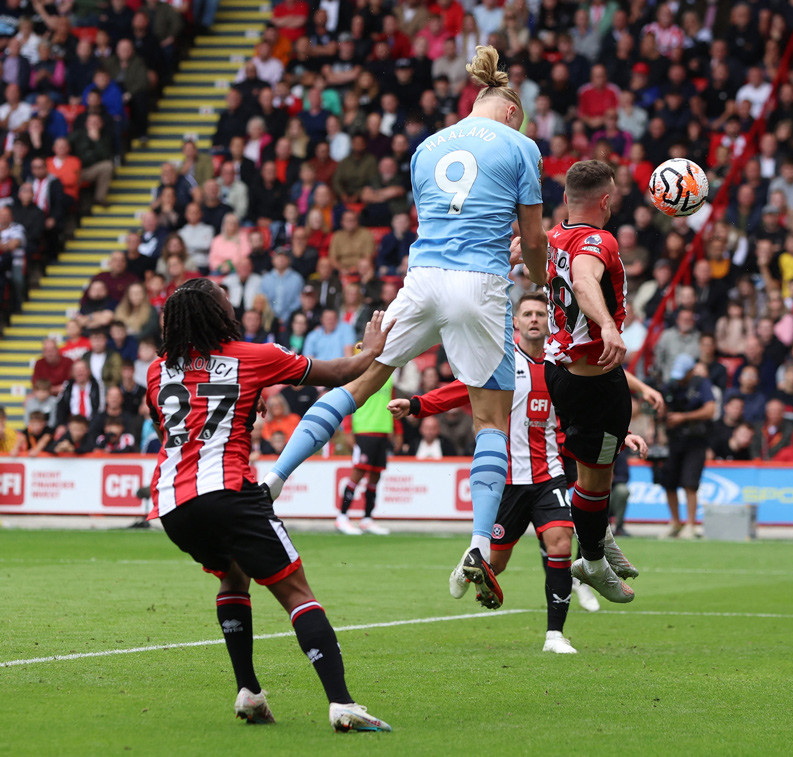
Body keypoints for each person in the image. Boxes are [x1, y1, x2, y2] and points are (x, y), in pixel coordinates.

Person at [262, 45, 548, 610]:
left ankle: (273, 482)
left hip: (421, 279)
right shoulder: (521, 146)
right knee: (492, 417)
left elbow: (442, 218)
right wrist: (532, 272)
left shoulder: (426, 147)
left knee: (358, 381)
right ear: (511, 111)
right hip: (478, 284)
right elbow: (533, 240)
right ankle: (476, 545)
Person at [146, 278, 394, 732]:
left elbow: (173, 416)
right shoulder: (253, 355)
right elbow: (342, 372)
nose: (233, 307)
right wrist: (373, 348)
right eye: (226, 302)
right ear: (218, 315)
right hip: (228, 493)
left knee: (232, 576)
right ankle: (342, 704)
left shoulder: (156, 370)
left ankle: (249, 692)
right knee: (296, 592)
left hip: (173, 505)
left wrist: (244, 395)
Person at [391, 292, 653, 651]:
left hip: (549, 476)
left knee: (561, 543)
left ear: (548, 321)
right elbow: (463, 390)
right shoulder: (501, 362)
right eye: (526, 313)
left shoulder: (560, 366)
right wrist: (418, 404)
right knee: (494, 564)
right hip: (508, 481)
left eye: (539, 314)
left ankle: (555, 635)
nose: (533, 319)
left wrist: (622, 434)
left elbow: (584, 413)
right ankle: (470, 565)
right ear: (515, 321)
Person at [541, 159, 640, 603]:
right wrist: (609, 325)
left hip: (559, 369)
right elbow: (583, 282)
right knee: (598, 479)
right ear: (606, 200)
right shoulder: (599, 240)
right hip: (594, 382)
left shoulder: (553, 236)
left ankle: (598, 534)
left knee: (591, 473)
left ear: (566, 198)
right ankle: (593, 559)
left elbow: (523, 256)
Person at [657, 352, 716, 538]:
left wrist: (684, 417)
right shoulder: (671, 385)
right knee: (669, 482)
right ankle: (675, 522)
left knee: (690, 483)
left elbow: (710, 410)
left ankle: (690, 524)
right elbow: (660, 408)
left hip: (695, 440)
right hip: (673, 440)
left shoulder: (701, 384)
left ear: (691, 371)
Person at [337, 372, 396, 536]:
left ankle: (367, 519)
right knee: (358, 473)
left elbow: (392, 401)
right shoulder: (360, 372)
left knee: (375, 476)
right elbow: (349, 399)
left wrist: (395, 428)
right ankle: (342, 516)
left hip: (383, 429)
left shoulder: (389, 375)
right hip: (363, 430)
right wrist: (348, 429)